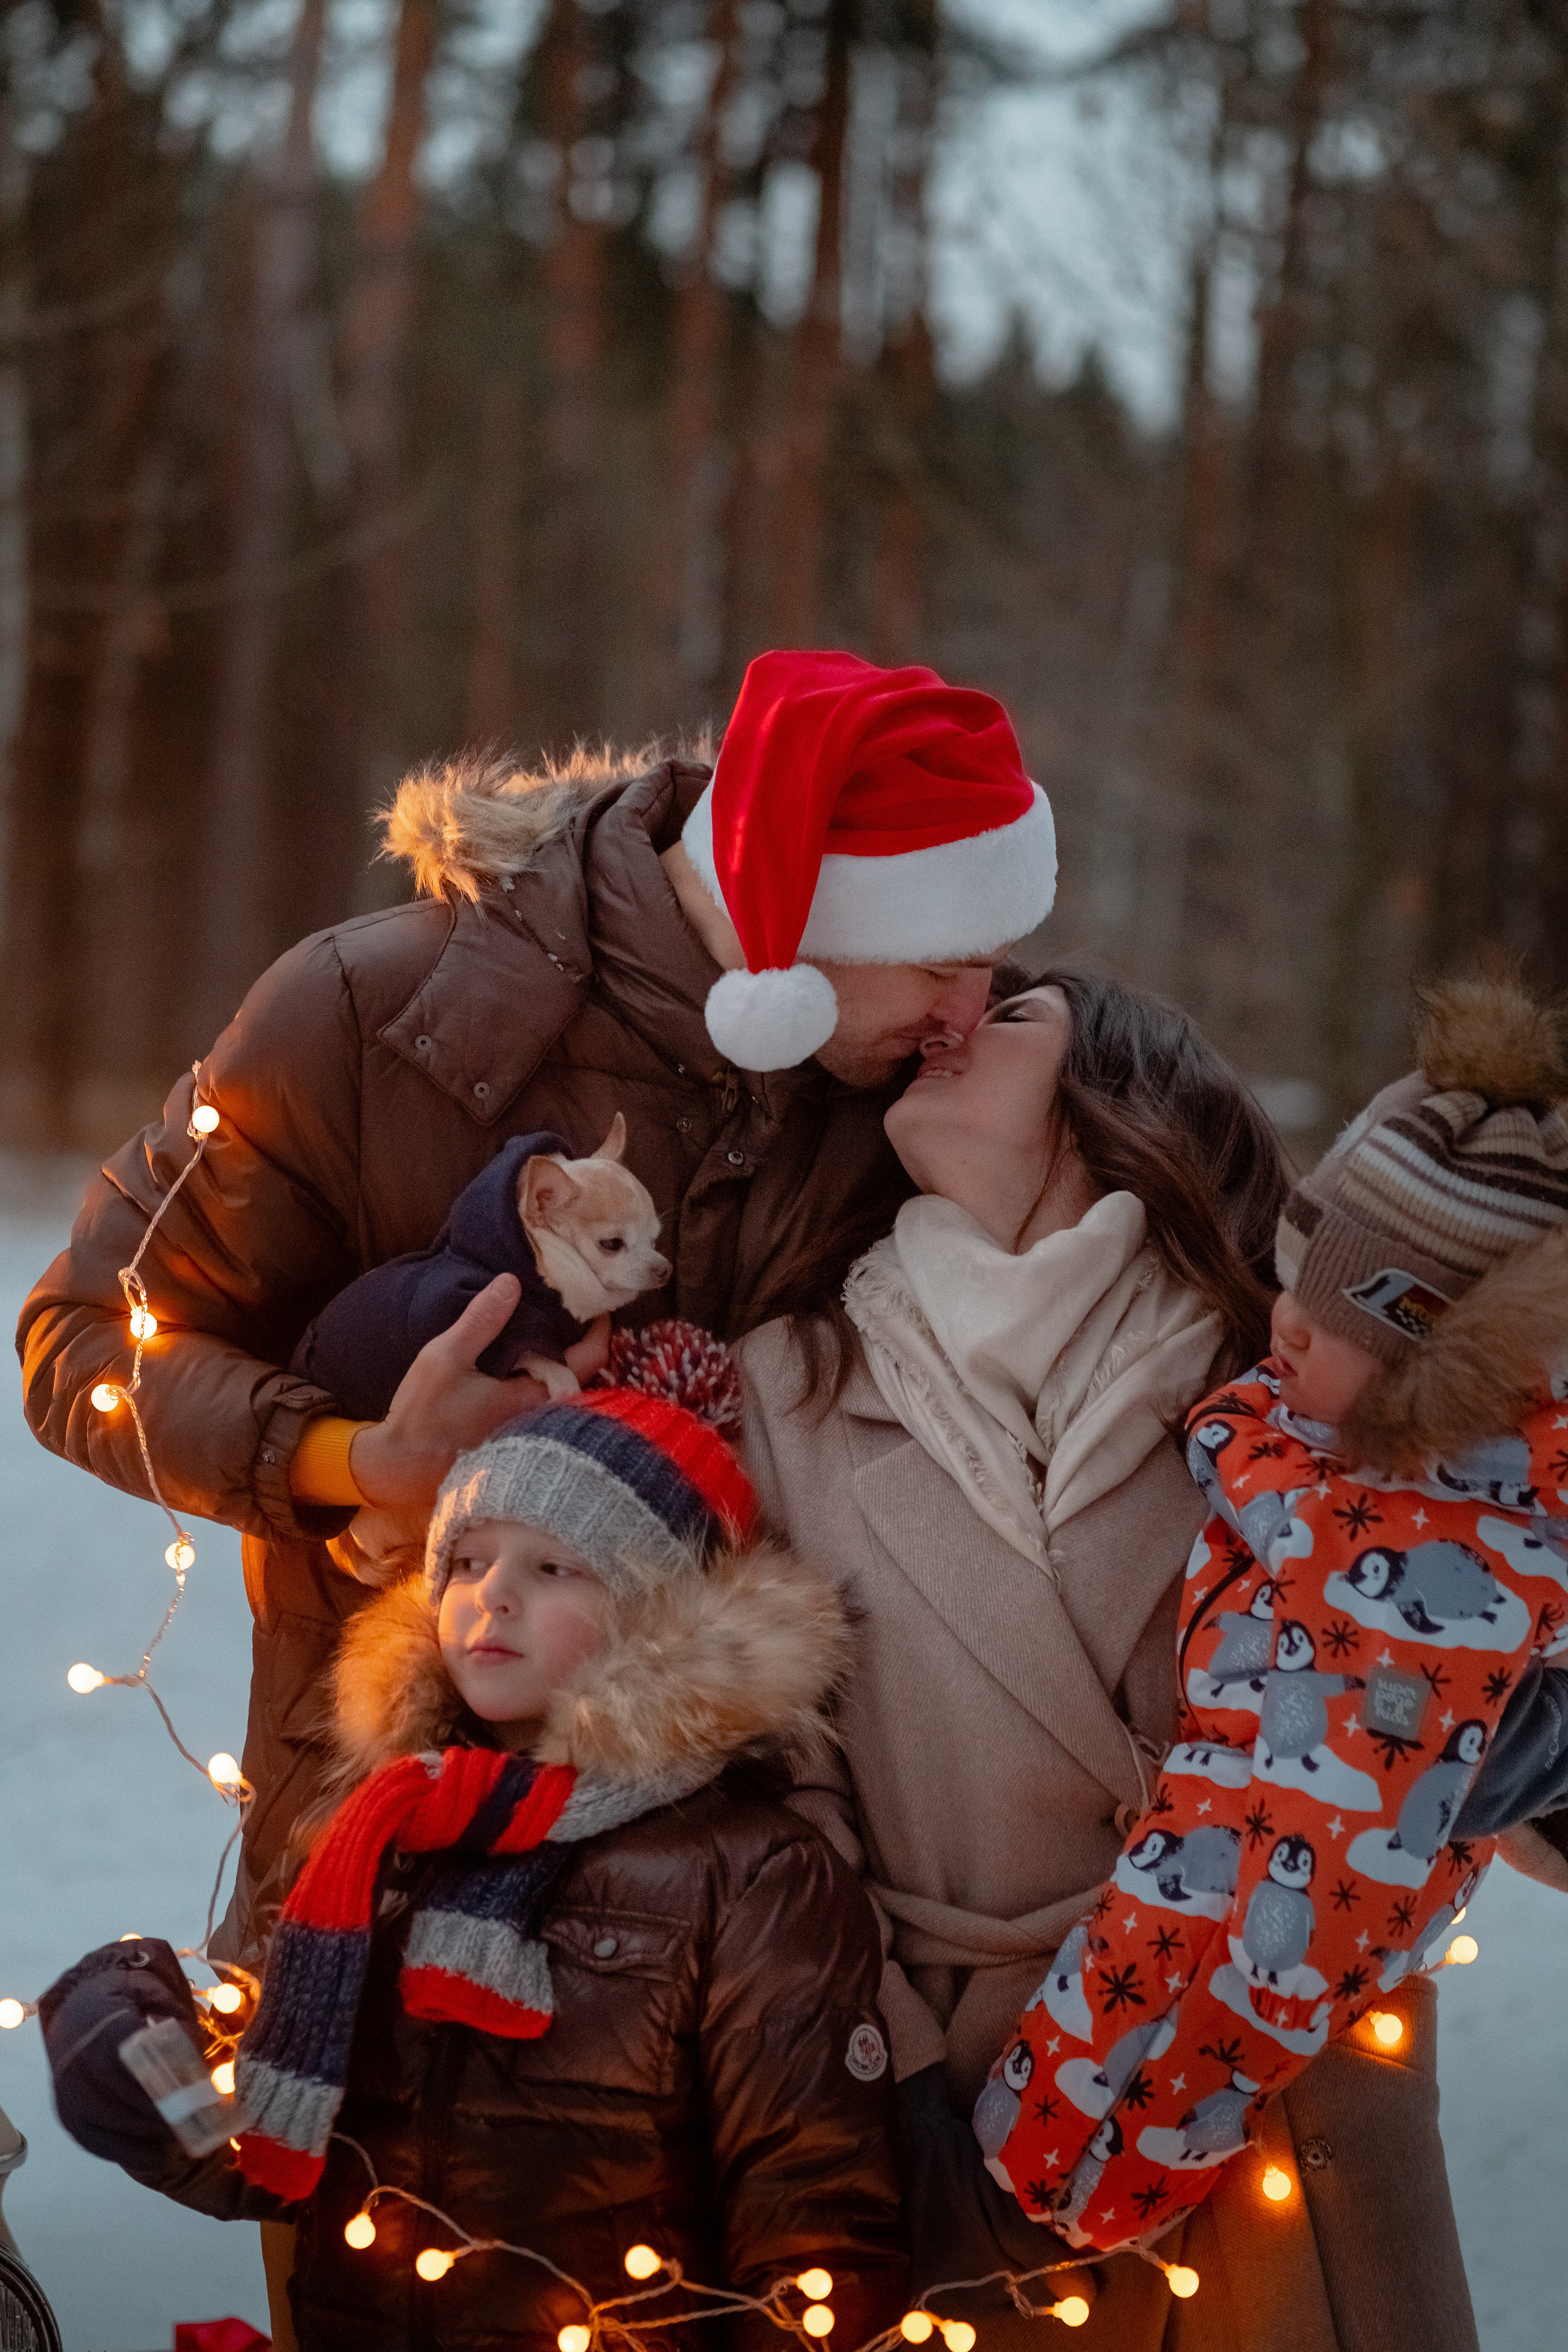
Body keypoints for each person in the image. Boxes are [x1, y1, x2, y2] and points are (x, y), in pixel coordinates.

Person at [15, 646, 1057, 1978]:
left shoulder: (916, 1087)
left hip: (765, 1942)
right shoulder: (367, 1017)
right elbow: (79, 1347)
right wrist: (354, 1461)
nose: (970, 1013)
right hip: (381, 1898)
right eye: (938, 968)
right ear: (796, 917)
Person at [737, 965, 1482, 2350]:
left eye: (1011, 1014)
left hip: (1272, 2085)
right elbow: (772, 1777)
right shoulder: (788, 1384)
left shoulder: (1290, 1388)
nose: (947, 1023)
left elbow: (1465, 1657)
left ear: (1120, 1097)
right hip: (966, 2113)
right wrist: (886, 2063)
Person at [40, 1333, 910, 2351]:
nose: (492, 1595)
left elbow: (818, 2252)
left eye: (552, 1567)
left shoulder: (751, 1875)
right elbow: (274, 2144)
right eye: (465, 1560)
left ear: (659, 1620)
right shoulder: (383, 1834)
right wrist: (131, 2042)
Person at [981, 973, 1568, 2291]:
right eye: (1295, 1285)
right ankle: (1044, 2164)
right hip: (1201, 1825)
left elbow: (1317, 1925)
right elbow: (1247, 1443)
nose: (1285, 1321)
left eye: (1342, 1315)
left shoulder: (1491, 1528)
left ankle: (1086, 2179)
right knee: (1125, 1998)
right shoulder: (1281, 1425)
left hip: (1323, 1875)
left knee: (1217, 2019)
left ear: (1440, 1360)